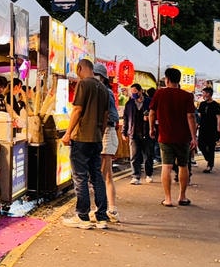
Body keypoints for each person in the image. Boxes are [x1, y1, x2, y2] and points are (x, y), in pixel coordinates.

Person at [61, 58, 111, 229]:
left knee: (80, 177)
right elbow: (106, 115)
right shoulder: (103, 88)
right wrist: (100, 133)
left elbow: (77, 109)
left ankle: (82, 216)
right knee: (97, 176)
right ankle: (101, 216)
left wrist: (68, 133)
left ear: (81, 68)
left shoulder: (84, 84)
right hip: (96, 138)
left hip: (81, 137)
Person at [148, 66, 198, 207]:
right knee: (183, 165)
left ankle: (168, 199)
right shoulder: (187, 96)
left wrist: (151, 128)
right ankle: (182, 196)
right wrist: (194, 137)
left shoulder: (159, 94)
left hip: (165, 136)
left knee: (167, 166)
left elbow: (152, 113)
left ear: (167, 79)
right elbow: (191, 116)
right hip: (183, 137)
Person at [94, 62, 122, 223]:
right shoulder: (104, 91)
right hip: (107, 134)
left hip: (107, 133)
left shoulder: (105, 92)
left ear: (102, 78)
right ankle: (111, 209)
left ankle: (102, 211)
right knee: (107, 176)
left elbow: (112, 116)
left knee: (102, 176)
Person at [123, 82, 153, 184]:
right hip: (133, 132)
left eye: (135, 92)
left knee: (148, 155)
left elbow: (155, 115)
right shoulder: (129, 104)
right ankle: (135, 176)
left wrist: (149, 119)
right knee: (134, 156)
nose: (134, 94)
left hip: (147, 132)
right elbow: (126, 118)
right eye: (132, 92)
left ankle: (149, 174)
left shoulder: (149, 102)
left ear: (140, 91)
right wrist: (124, 132)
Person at [195, 86, 220, 173]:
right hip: (203, 128)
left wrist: (218, 130)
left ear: (208, 94)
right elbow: (199, 117)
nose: (203, 95)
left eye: (203, 93)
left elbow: (218, 118)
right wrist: (196, 126)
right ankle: (209, 159)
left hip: (212, 129)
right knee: (200, 145)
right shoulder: (202, 104)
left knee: (211, 147)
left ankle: (210, 165)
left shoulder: (216, 105)